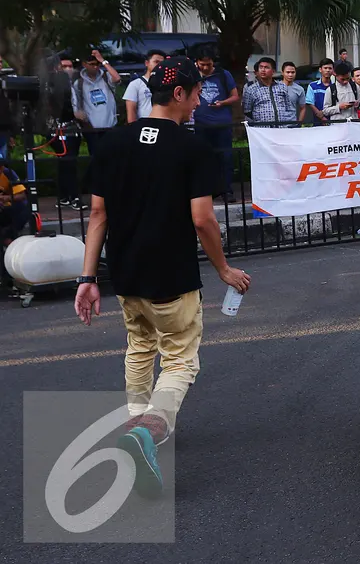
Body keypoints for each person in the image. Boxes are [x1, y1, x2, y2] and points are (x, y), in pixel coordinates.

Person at [75, 57, 250, 498]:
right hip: (172, 273)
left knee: (139, 347)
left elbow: (98, 213)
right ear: (179, 94)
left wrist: (86, 277)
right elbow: (203, 220)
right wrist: (224, 269)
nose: (199, 102)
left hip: (126, 271)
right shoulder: (192, 149)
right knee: (179, 359)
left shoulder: (112, 143)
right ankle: (147, 433)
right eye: (196, 94)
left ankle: (140, 423)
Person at [193, 49, 239, 202]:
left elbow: (235, 96)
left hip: (222, 123)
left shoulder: (223, 74)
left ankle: (226, 189)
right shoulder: (193, 75)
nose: (205, 68)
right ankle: (207, 190)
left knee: (225, 157)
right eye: (202, 64)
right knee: (203, 158)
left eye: (208, 64)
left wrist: (222, 103)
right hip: (201, 124)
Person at [50, 55, 87, 210]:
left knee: (67, 163)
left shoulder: (74, 83)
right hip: (62, 127)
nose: (68, 69)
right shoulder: (54, 85)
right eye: (64, 66)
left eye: (70, 66)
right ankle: (73, 196)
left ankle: (64, 196)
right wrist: (74, 115)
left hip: (73, 128)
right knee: (67, 162)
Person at [73, 48, 121, 155]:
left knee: (111, 156)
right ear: (84, 64)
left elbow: (117, 78)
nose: (95, 67)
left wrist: (103, 61)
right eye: (92, 64)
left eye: (97, 64)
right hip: (92, 128)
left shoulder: (105, 77)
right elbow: (76, 103)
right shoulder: (79, 83)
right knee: (95, 156)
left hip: (109, 126)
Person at [242, 57, 300, 126]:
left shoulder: (282, 87)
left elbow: (288, 108)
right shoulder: (251, 89)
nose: (263, 70)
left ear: (273, 71)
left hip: (282, 129)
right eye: (261, 67)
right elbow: (247, 112)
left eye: (266, 67)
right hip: (262, 131)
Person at [123, 49, 168, 123]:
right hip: (144, 127)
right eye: (156, 62)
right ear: (147, 63)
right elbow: (131, 111)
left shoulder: (166, 84)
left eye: (162, 63)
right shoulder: (135, 84)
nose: (159, 65)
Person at [304, 58, 333, 125]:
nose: (328, 70)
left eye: (330, 68)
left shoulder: (335, 86)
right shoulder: (312, 86)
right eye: (325, 68)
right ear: (320, 70)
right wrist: (322, 117)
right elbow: (310, 103)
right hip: (317, 121)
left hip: (333, 121)